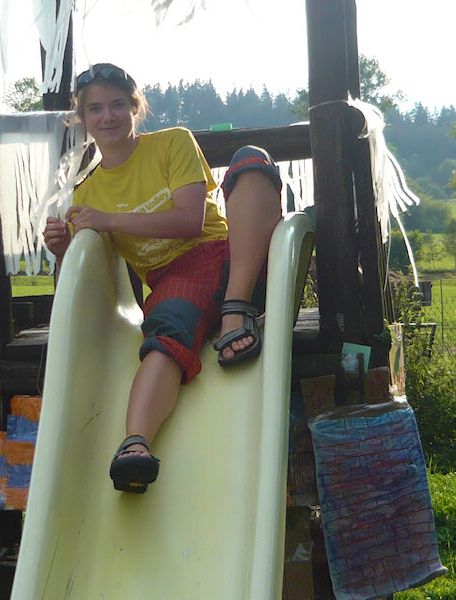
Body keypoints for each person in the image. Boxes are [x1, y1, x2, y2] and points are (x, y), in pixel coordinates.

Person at [42, 63, 283, 493]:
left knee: (251, 159)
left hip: (232, 256)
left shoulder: (173, 142)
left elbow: (191, 220)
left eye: (118, 104)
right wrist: (63, 252)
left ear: (135, 107)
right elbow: (77, 292)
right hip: (176, 280)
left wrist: (109, 220)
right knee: (166, 331)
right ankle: (135, 443)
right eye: (95, 109)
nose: (108, 116)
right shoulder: (86, 193)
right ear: (82, 119)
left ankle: (235, 308)